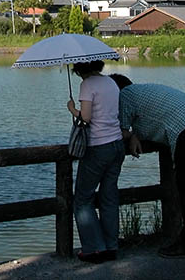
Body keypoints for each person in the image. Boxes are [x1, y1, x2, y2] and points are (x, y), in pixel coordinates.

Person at [109, 73, 185, 258]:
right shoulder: (144, 91)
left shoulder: (125, 95)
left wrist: (130, 135)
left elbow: (120, 130)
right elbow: (144, 125)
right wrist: (135, 135)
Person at [66, 61, 125, 264]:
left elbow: (87, 118)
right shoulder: (110, 82)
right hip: (117, 144)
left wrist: (73, 109)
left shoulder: (88, 84)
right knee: (109, 198)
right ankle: (111, 247)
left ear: (81, 69)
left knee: (83, 199)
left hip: (98, 146)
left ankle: (94, 249)